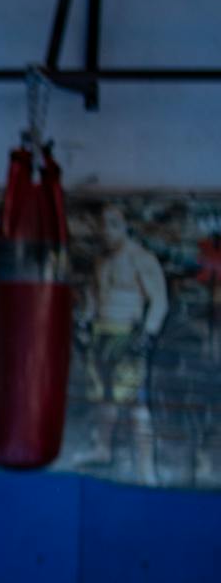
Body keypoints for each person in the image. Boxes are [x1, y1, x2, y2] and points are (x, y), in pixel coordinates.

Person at [81, 204, 168, 482]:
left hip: (127, 334)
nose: (105, 231)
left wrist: (148, 334)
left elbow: (159, 300)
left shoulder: (141, 258)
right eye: (101, 225)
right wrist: (83, 322)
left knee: (135, 403)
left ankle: (146, 467)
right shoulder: (101, 261)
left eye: (111, 224)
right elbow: (94, 298)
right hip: (101, 334)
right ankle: (102, 449)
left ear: (124, 225)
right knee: (103, 397)